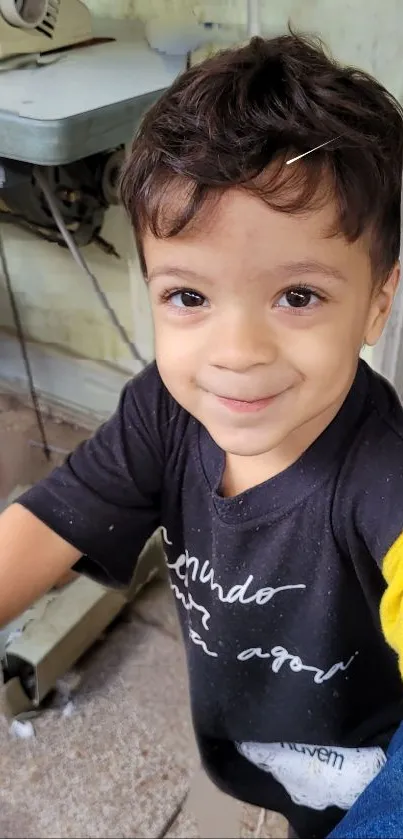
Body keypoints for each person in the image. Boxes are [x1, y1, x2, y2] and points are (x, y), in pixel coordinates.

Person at [1, 31, 403, 839]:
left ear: (375, 302)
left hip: (359, 774)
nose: (236, 353)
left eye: (296, 295)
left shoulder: (382, 478)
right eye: (189, 297)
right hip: (245, 740)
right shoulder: (164, 411)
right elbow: (43, 524)